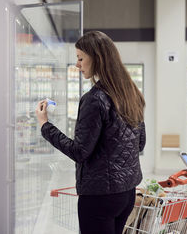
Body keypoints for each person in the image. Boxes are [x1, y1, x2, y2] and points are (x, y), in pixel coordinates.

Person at [36, 31, 146, 234]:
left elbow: (79, 152)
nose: (77, 64)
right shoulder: (131, 93)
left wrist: (45, 125)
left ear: (98, 58)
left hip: (99, 198)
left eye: (80, 58)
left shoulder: (94, 99)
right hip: (127, 194)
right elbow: (140, 144)